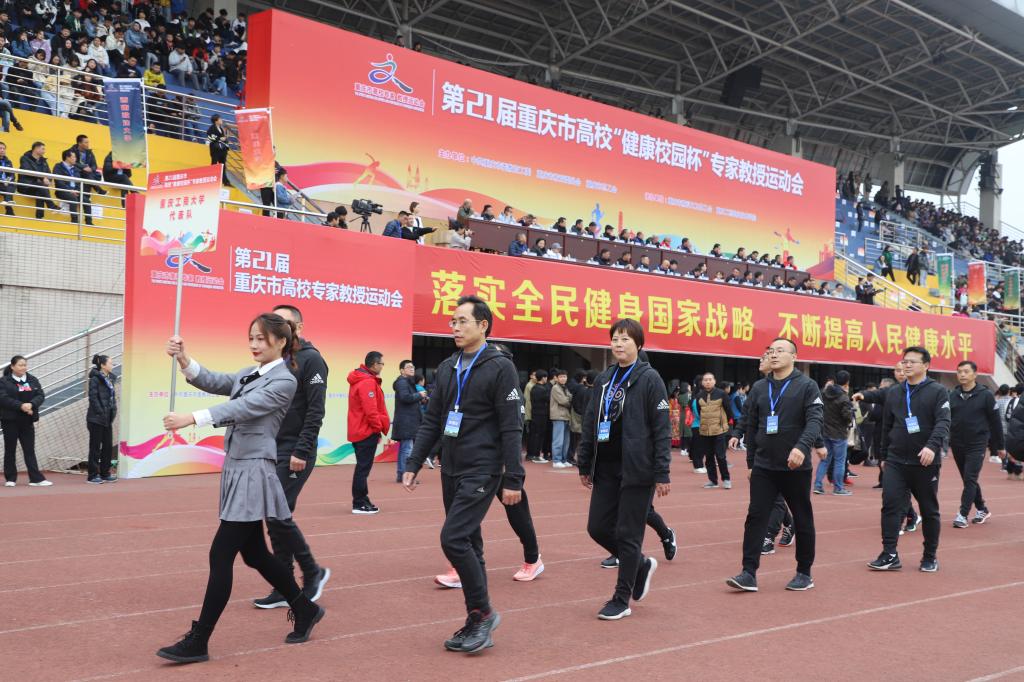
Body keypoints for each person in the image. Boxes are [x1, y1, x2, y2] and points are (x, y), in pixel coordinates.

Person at [157, 317, 324, 663]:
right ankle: (305, 608)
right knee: (256, 554)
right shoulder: (251, 373)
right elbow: (214, 380)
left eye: (261, 339)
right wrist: (184, 358)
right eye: (251, 338)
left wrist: (192, 418)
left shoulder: (284, 380)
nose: (254, 345)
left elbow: (243, 407)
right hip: (238, 468)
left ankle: (199, 639)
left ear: (281, 341)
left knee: (221, 555)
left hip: (253, 471)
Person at [402, 296, 525, 653]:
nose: (454, 327)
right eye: (452, 322)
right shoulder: (447, 367)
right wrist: (414, 461)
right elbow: (433, 419)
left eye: (462, 321)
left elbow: (512, 426)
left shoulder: (500, 367)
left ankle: (484, 613)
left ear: (483, 325)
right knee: (470, 542)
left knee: (453, 538)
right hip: (451, 467)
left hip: (483, 467)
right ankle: (476, 619)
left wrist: (514, 478)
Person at [577, 319, 670, 620]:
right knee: (597, 527)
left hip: (637, 468)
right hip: (605, 466)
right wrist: (584, 461)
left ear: (638, 344)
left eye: (625, 339)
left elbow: (662, 429)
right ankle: (639, 563)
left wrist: (662, 472)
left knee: (628, 534)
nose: (618, 344)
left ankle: (621, 598)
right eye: (615, 339)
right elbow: (591, 420)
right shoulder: (605, 379)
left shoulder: (650, 379)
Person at [726, 337, 822, 592]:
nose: (774, 354)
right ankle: (748, 573)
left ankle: (804, 573)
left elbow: (815, 421)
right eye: (771, 351)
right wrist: (749, 459)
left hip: (795, 467)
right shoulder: (760, 387)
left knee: (802, 517)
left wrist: (802, 447)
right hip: (764, 466)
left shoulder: (807, 386)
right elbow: (751, 423)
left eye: (781, 350)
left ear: (794, 356)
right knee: (755, 517)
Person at [252, 305, 331, 610]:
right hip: (270, 449)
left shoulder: (312, 359)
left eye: (285, 323)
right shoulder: (275, 361)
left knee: (278, 514)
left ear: (299, 326)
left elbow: (315, 410)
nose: (279, 328)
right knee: (274, 517)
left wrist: (302, 449)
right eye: (274, 323)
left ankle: (313, 571)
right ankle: (284, 585)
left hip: (295, 451)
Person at [865, 347, 949, 573]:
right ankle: (889, 554)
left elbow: (943, 422)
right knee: (890, 506)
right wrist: (883, 456)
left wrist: (932, 446)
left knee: (929, 510)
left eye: (912, 361)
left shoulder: (938, 391)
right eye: (904, 361)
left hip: (924, 462)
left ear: (926, 365)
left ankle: (929, 556)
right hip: (895, 461)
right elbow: (887, 426)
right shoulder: (894, 392)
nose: (907, 365)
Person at [948, 360, 1003, 528]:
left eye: (966, 371)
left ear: (975, 374)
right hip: (957, 443)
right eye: (959, 372)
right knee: (967, 479)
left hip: (977, 443)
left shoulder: (985, 395)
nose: (962, 375)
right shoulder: (953, 395)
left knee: (970, 477)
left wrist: (1000, 446)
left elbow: (996, 422)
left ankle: (962, 514)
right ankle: (982, 509)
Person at [347, 351, 390, 514]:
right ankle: (359, 503)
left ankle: (363, 500)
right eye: (382, 364)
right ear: (374, 364)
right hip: (366, 431)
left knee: (362, 468)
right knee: (363, 469)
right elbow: (371, 410)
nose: (382, 367)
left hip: (361, 430)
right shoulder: (367, 382)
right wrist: (377, 428)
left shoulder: (361, 379)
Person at [1, 355, 49, 487]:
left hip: (27, 420)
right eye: (20, 365)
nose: (24, 367)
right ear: (12, 366)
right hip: (10, 420)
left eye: (25, 365)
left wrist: (32, 405)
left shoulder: (32, 379)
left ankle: (36, 479)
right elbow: (3, 398)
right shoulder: (4, 381)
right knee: (10, 449)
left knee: (29, 449)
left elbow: (40, 395)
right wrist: (21, 406)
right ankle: (10, 478)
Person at [814, 370, 854, 495]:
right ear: (847, 382)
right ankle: (838, 488)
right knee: (839, 461)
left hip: (825, 431)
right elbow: (847, 416)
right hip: (839, 433)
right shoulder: (844, 397)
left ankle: (818, 485)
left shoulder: (824, 393)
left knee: (825, 460)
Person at [694, 373, 731, 489]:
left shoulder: (722, 394)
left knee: (721, 456)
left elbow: (728, 410)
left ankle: (726, 479)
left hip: (719, 430)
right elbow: (699, 411)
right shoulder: (699, 395)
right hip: (705, 431)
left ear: (714, 381)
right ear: (702, 382)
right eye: (705, 380)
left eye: (710, 379)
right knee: (709, 457)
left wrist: (724, 424)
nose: (708, 382)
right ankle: (713, 480)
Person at [85, 353, 117, 484]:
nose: (112, 365)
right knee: (95, 447)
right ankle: (92, 475)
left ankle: (105, 473)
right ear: (103, 365)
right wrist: (100, 412)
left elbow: (111, 398)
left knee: (107, 447)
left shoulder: (110, 379)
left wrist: (112, 411)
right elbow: (93, 397)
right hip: (96, 418)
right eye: (110, 363)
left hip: (107, 419)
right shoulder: (95, 379)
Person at [392, 359, 424, 483]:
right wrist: (420, 395)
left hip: (409, 421)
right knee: (407, 450)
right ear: (402, 370)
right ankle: (404, 475)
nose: (412, 369)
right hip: (406, 422)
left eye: (413, 367)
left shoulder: (408, 382)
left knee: (406, 449)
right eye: (409, 367)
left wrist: (421, 399)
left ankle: (402, 474)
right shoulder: (402, 382)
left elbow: (409, 399)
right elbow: (405, 398)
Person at [18, 141, 60, 219]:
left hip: (39, 187)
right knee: (41, 187)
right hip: (26, 186)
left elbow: (49, 173)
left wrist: (49, 181)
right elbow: (28, 171)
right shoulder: (24, 158)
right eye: (43, 149)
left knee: (40, 191)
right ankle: (51, 205)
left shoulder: (43, 161)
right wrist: (42, 178)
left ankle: (39, 217)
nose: (44, 151)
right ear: (36, 149)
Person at [52, 149, 93, 225]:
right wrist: (69, 190)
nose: (75, 159)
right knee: (73, 198)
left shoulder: (75, 168)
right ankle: (74, 220)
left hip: (75, 191)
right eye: (73, 157)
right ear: (67, 158)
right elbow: (59, 182)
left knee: (86, 201)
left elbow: (78, 182)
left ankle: (89, 222)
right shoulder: (58, 167)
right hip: (62, 191)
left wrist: (77, 190)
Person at [549, 369, 572, 468]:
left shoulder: (564, 387)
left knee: (566, 440)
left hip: (566, 416)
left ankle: (563, 459)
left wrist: (569, 399)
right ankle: (556, 460)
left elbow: (570, 397)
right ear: (557, 378)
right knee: (558, 440)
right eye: (561, 377)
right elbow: (564, 401)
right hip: (558, 416)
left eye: (565, 376)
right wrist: (569, 399)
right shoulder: (555, 388)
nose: (563, 378)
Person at [527, 370, 551, 463]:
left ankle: (532, 454)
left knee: (534, 434)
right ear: (543, 378)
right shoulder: (542, 389)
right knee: (539, 434)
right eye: (545, 377)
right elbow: (548, 399)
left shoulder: (535, 388)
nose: (546, 379)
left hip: (535, 413)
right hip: (541, 414)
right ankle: (536, 455)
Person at [206, 114, 229, 184]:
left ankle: (225, 181)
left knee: (223, 165)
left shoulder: (221, 128)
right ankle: (212, 179)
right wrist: (220, 138)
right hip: (215, 149)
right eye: (220, 119)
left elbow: (223, 138)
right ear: (216, 121)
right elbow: (210, 136)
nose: (221, 120)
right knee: (214, 163)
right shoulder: (212, 128)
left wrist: (225, 140)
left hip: (222, 149)